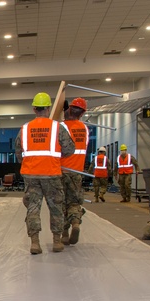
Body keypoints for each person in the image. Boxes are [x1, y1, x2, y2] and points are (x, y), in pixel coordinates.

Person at [14, 92, 75, 254]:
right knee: (56, 207)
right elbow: (69, 149)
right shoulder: (57, 127)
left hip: (31, 175)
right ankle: (56, 241)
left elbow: (18, 152)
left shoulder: (25, 128)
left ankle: (35, 243)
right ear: (48, 108)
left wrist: (29, 162)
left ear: (34, 109)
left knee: (33, 207)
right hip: (51, 173)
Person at [60, 98, 89, 245]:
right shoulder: (85, 129)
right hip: (77, 172)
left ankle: (64, 233)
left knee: (61, 203)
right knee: (74, 202)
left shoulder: (61, 127)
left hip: (61, 171)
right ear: (83, 113)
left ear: (69, 110)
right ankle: (75, 224)